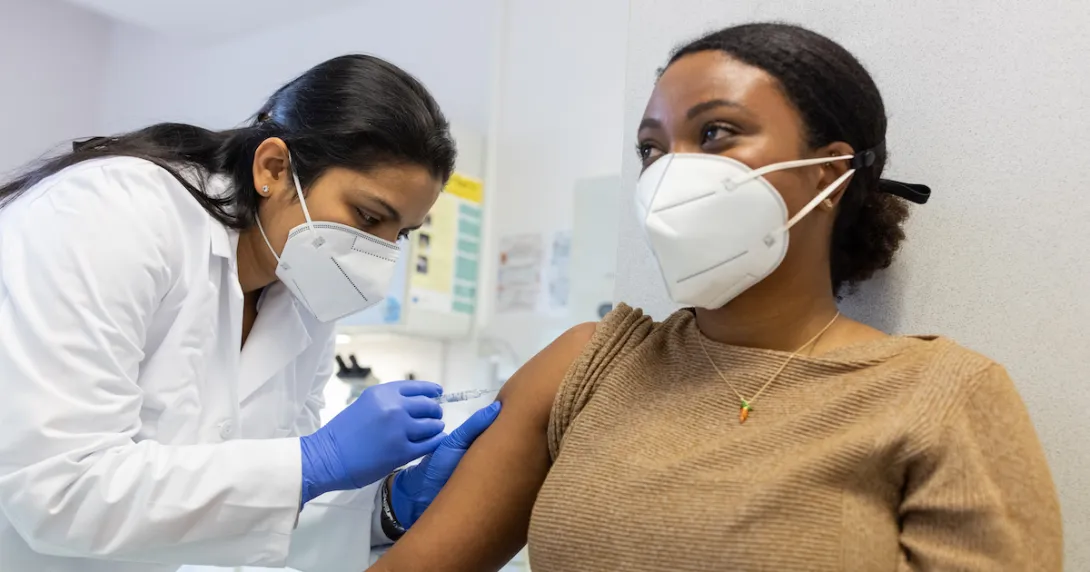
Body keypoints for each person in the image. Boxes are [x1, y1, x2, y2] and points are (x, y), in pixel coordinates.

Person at [366, 23, 1063, 572]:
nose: (670, 172)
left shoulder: (938, 395)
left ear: (830, 172)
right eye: (651, 149)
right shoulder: (587, 365)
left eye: (715, 134)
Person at [0, 54, 500, 572]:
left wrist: (386, 507)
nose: (377, 253)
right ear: (274, 168)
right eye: (368, 216)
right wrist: (315, 460)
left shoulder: (306, 295)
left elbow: (253, 510)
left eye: (400, 234)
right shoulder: (110, 214)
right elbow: (56, 491)